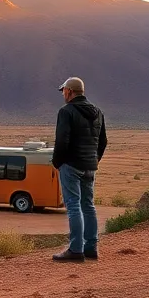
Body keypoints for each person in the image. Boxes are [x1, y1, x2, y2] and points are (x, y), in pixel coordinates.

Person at [51, 76, 108, 263]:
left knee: (74, 206)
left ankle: (76, 249)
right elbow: (103, 142)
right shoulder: (98, 112)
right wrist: (94, 160)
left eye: (64, 91)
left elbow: (62, 141)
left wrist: (57, 162)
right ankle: (91, 247)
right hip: (89, 166)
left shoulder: (66, 112)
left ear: (70, 92)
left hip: (71, 165)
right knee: (88, 205)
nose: (63, 94)